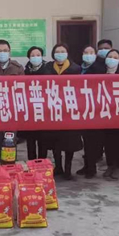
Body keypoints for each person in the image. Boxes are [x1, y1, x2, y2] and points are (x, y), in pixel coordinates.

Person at [42, 43, 82, 179]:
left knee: (69, 141)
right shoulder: (48, 67)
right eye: (57, 51)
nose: (60, 54)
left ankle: (68, 168)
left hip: (69, 109)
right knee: (55, 140)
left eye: (62, 51)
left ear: (67, 53)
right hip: (53, 108)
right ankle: (58, 166)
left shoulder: (76, 68)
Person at [0, 39, 24, 162]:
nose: (2, 53)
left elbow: (23, 90)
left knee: (10, 143)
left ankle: (11, 169)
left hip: (12, 112)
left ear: (9, 52)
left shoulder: (18, 68)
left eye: (5, 50)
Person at [78, 45, 105, 178]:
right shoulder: (79, 68)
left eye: (91, 52)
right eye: (86, 52)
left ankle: (91, 168)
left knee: (93, 140)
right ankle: (87, 165)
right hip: (82, 108)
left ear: (95, 54)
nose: (88, 55)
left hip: (95, 108)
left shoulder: (99, 68)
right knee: (86, 139)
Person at [102, 48, 119, 179]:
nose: (112, 59)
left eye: (115, 57)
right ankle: (110, 165)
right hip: (105, 111)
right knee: (107, 140)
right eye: (110, 57)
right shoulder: (100, 72)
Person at [23, 46, 47, 161]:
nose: (35, 57)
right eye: (33, 55)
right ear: (29, 57)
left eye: (38, 55)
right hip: (30, 109)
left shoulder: (48, 69)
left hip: (43, 109)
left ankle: (42, 163)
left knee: (43, 140)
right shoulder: (25, 71)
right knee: (30, 140)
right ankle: (31, 163)